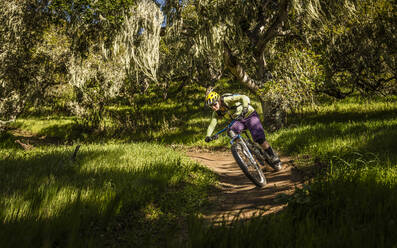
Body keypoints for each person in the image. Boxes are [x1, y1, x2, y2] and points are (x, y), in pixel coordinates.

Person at [204, 90, 282, 171]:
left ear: (219, 100)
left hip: (249, 115)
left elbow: (244, 97)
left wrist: (245, 108)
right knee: (230, 131)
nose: (213, 107)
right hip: (239, 120)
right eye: (211, 106)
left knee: (259, 138)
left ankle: (272, 155)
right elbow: (212, 125)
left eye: (214, 104)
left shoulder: (226, 99)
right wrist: (208, 136)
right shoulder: (216, 113)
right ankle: (247, 148)